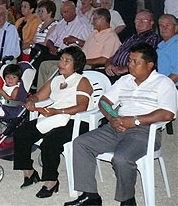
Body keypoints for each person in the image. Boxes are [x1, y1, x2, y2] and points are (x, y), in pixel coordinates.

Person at [65, 43, 177, 206]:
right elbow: (104, 101)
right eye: (129, 61)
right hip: (117, 125)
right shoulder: (125, 80)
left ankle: (127, 200)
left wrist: (135, 120)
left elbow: (168, 113)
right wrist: (113, 118)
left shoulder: (163, 83)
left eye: (135, 62)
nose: (130, 65)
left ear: (150, 64)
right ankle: (90, 195)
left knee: (122, 158)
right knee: (81, 144)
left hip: (144, 131)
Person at [14, 46, 92, 198]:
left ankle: (51, 181)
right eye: (62, 59)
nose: (62, 63)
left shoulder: (82, 81)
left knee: (49, 143)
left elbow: (82, 107)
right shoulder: (56, 80)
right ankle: (30, 173)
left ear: (76, 65)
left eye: (67, 61)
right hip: (54, 117)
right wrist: (31, 101)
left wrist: (58, 111)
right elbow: (38, 96)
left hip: (76, 121)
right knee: (21, 132)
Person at [34, 1, 91, 88]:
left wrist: (75, 40)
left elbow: (88, 44)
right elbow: (50, 39)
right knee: (36, 48)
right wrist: (51, 47)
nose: (63, 15)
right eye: (62, 13)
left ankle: (35, 82)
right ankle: (35, 82)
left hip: (67, 54)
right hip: (55, 50)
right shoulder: (61, 23)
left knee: (41, 57)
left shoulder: (82, 26)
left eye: (66, 12)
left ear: (73, 11)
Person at [104, 10, 160, 82]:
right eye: (137, 20)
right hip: (113, 72)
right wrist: (108, 65)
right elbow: (115, 55)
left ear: (152, 22)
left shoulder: (152, 38)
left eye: (144, 20)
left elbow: (146, 60)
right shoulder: (131, 38)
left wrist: (125, 69)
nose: (140, 22)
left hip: (131, 75)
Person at [156, 14, 178, 83]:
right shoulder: (161, 46)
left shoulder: (176, 45)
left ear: (176, 28)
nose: (164, 28)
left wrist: (160, 87)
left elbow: (176, 74)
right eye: (161, 25)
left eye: (167, 25)